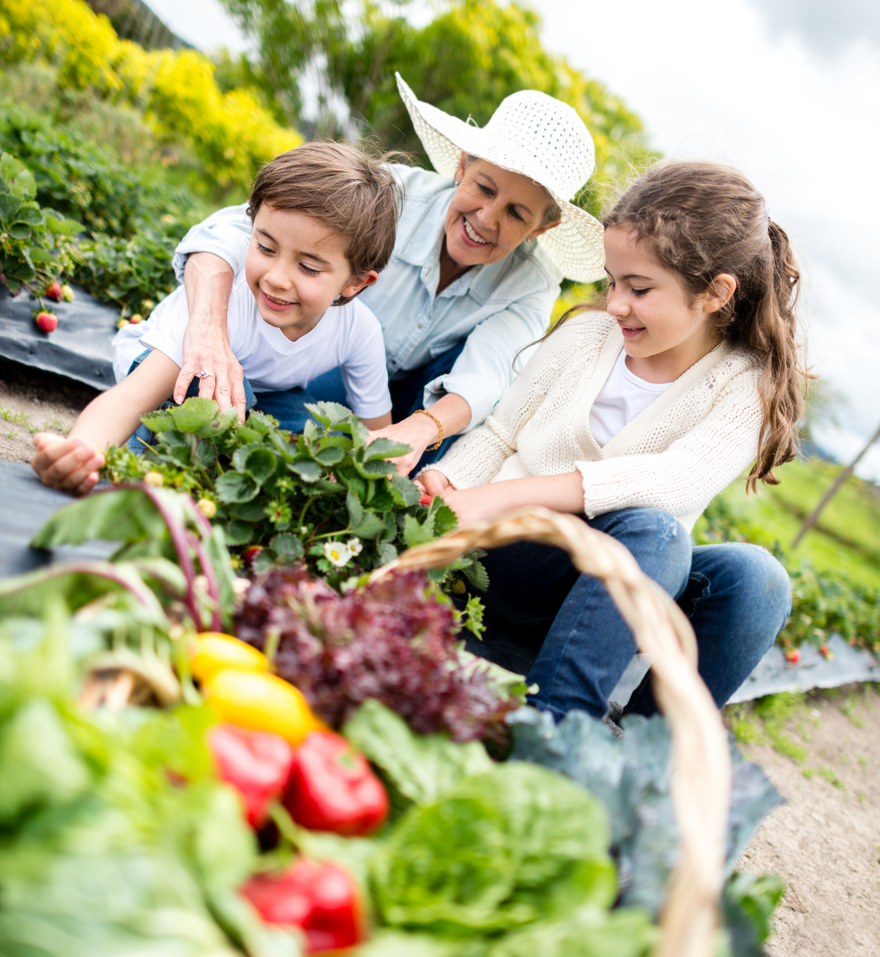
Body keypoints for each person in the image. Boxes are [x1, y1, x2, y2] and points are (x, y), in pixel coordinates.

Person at [418, 160, 804, 721]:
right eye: (612, 281)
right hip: (506, 560)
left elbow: (676, 482)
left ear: (715, 293)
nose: (616, 303)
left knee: (754, 578)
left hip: (612, 604)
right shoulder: (586, 337)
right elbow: (500, 435)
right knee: (654, 535)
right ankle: (557, 728)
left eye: (639, 288)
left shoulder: (745, 386)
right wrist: (448, 482)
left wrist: (506, 494)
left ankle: (646, 744)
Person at [170, 73, 606, 475]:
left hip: (403, 403)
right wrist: (207, 332)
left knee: (478, 395)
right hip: (312, 368)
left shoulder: (532, 281)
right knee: (272, 411)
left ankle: (375, 464)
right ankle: (293, 430)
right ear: (462, 166)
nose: (486, 219)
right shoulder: (389, 197)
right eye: (483, 187)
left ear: (542, 227)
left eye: (516, 213)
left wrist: (418, 430)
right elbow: (231, 231)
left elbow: (487, 375)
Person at [30, 142, 399, 495]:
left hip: (258, 396)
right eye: (265, 247)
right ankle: (151, 465)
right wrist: (79, 452)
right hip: (171, 369)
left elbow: (379, 436)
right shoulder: (229, 302)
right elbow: (130, 399)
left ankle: (225, 461)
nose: (275, 278)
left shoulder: (360, 332)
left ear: (355, 282)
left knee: (321, 431)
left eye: (308, 267)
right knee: (206, 398)